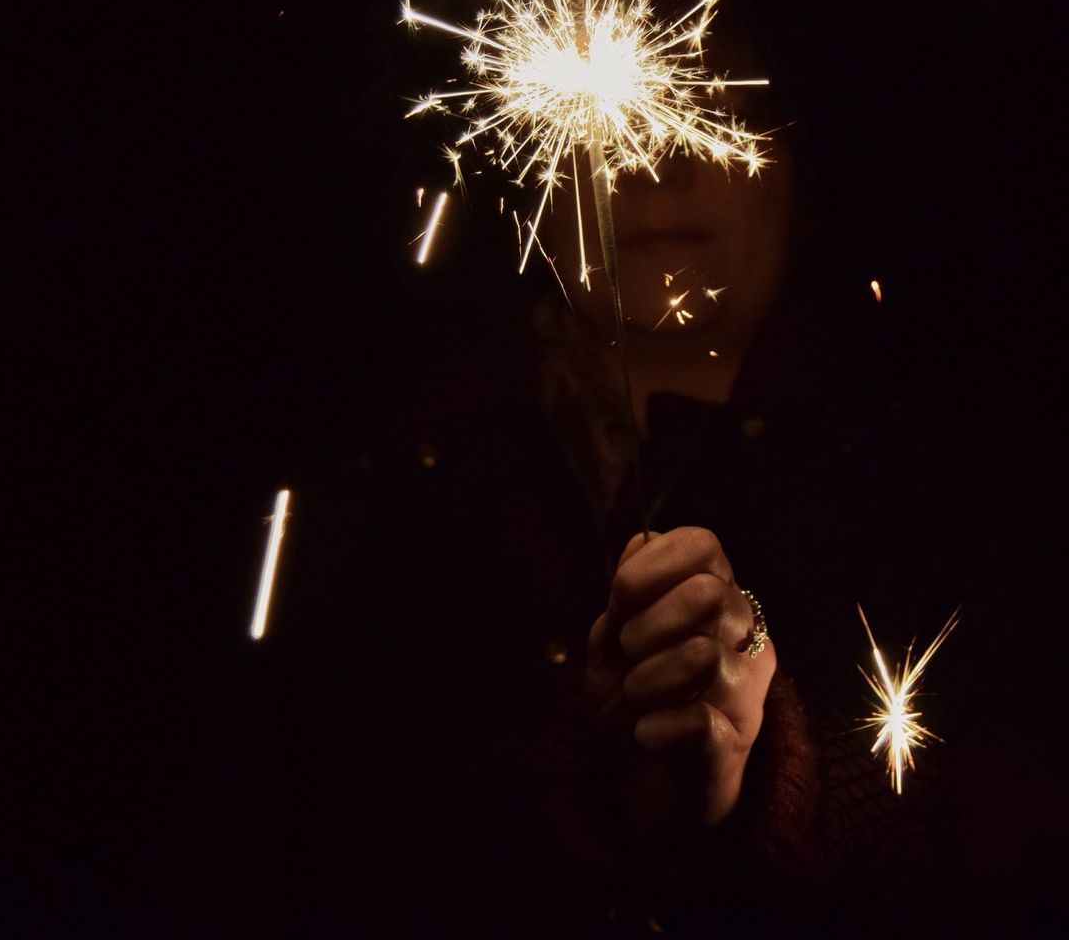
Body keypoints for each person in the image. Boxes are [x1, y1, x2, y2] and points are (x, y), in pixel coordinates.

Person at [224, 89, 1059, 939]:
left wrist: (758, 790)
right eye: (610, 104)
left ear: (798, 153)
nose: (658, 156)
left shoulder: (979, 497)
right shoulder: (369, 503)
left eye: (712, 99)